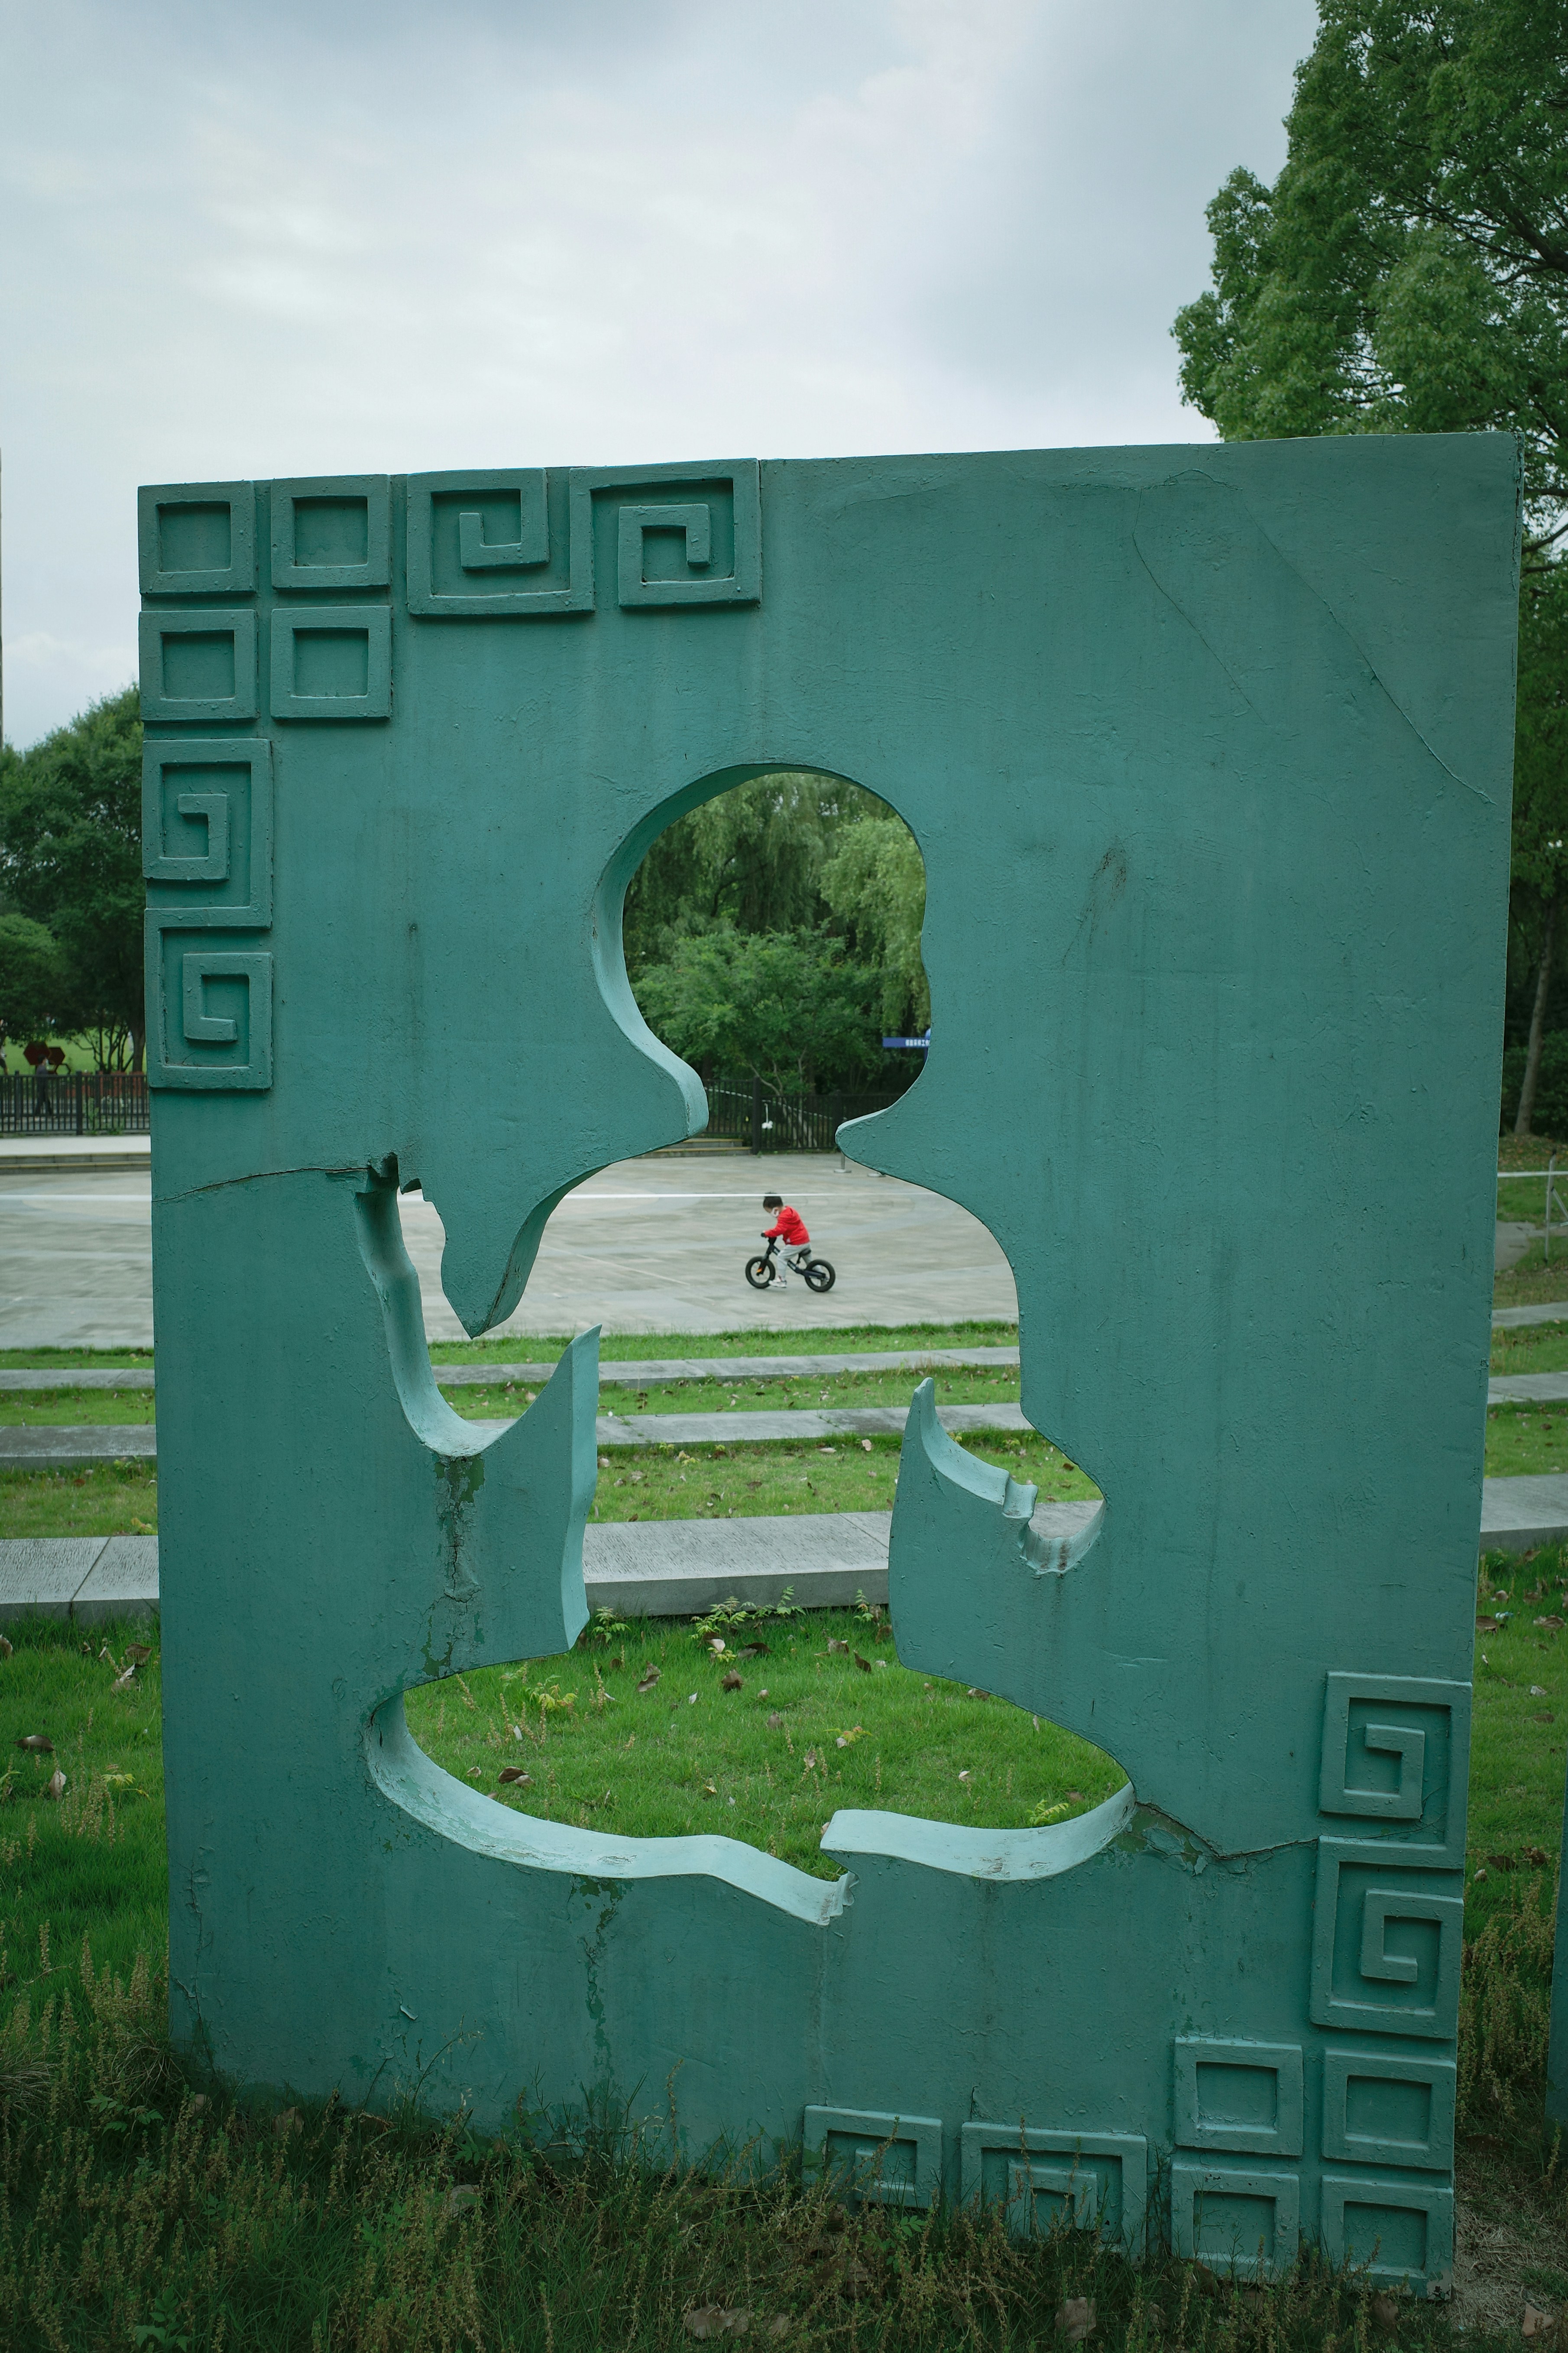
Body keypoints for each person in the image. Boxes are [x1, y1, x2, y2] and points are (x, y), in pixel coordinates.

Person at [761, 1193, 810, 1287]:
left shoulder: (784, 1217)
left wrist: (767, 1233)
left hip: (796, 1243)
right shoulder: (790, 1210)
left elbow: (780, 1230)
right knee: (811, 1263)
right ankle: (824, 1278)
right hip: (805, 1240)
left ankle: (781, 1280)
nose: (771, 1215)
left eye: (770, 1212)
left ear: (776, 1209)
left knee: (782, 1257)